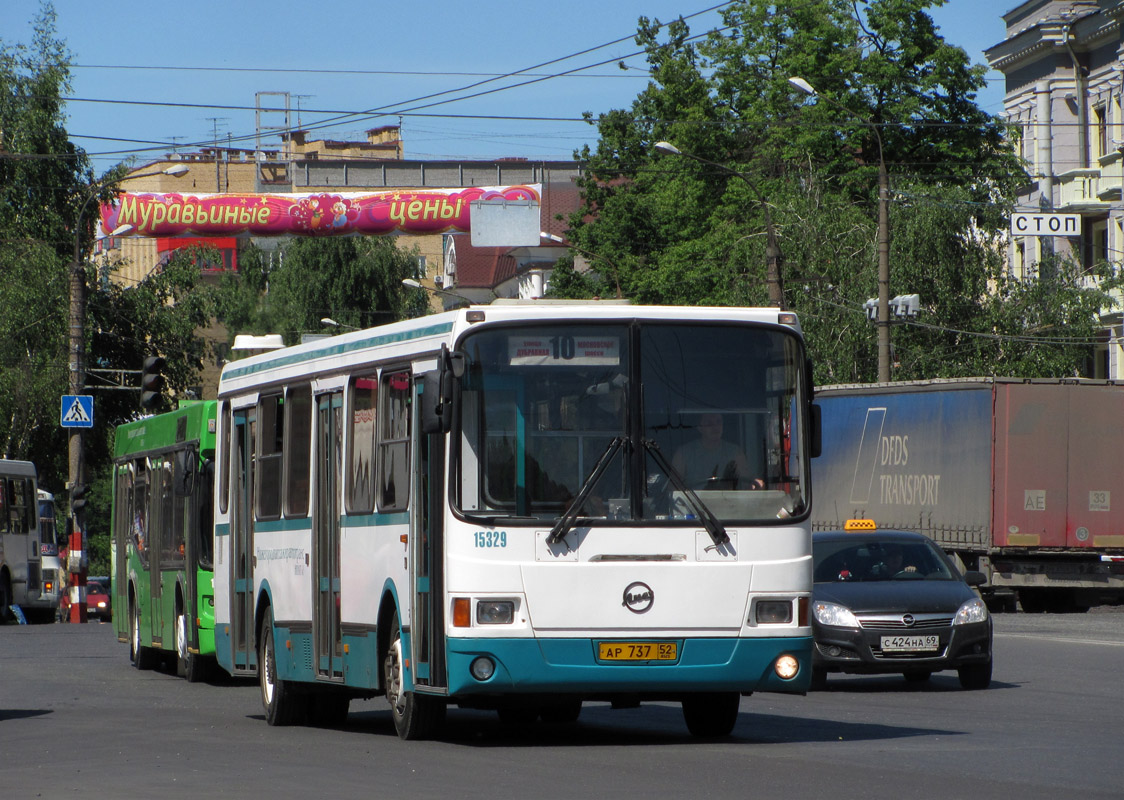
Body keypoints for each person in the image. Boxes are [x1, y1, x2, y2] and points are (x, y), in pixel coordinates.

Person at [671, 412, 763, 491]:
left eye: (718, 422)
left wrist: (756, 484)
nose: (715, 427)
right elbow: (673, 488)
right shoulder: (683, 453)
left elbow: (748, 483)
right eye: (709, 423)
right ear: (699, 427)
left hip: (728, 507)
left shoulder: (735, 452)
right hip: (694, 508)